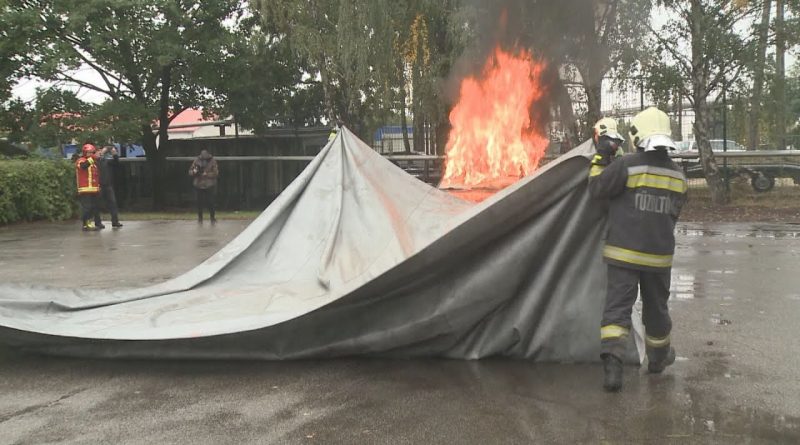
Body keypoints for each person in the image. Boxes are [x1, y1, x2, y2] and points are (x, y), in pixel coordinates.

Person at [587, 109, 688, 392]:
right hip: (659, 257)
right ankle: (657, 359)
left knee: (617, 310)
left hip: (623, 254)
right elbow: (674, 213)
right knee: (657, 310)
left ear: (636, 136)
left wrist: (601, 155)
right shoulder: (678, 176)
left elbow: (596, 188)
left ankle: (613, 370)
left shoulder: (627, 166)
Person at [75, 143, 102, 231]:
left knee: (93, 208)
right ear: (84, 152)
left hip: (94, 190)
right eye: (89, 152)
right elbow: (83, 166)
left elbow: (96, 176)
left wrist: (98, 186)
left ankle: (90, 223)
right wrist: (93, 158)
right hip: (85, 189)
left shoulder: (94, 163)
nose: (90, 154)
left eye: (92, 152)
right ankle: (85, 225)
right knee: (87, 208)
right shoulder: (81, 160)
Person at [189, 149, 219, 223]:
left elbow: (216, 173)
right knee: (199, 203)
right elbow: (190, 171)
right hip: (198, 184)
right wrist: (194, 172)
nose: (204, 158)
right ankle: (200, 219)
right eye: (202, 156)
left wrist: (207, 174)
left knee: (210, 202)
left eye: (205, 156)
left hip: (209, 184)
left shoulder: (212, 161)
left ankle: (212, 218)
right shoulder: (197, 160)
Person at [96, 145, 123, 228]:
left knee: (113, 203)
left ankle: (115, 221)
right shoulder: (95, 161)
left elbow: (116, 163)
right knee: (97, 204)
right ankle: (98, 222)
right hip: (98, 185)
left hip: (108, 185)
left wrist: (114, 154)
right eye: (98, 151)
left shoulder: (106, 161)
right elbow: (97, 159)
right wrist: (102, 152)